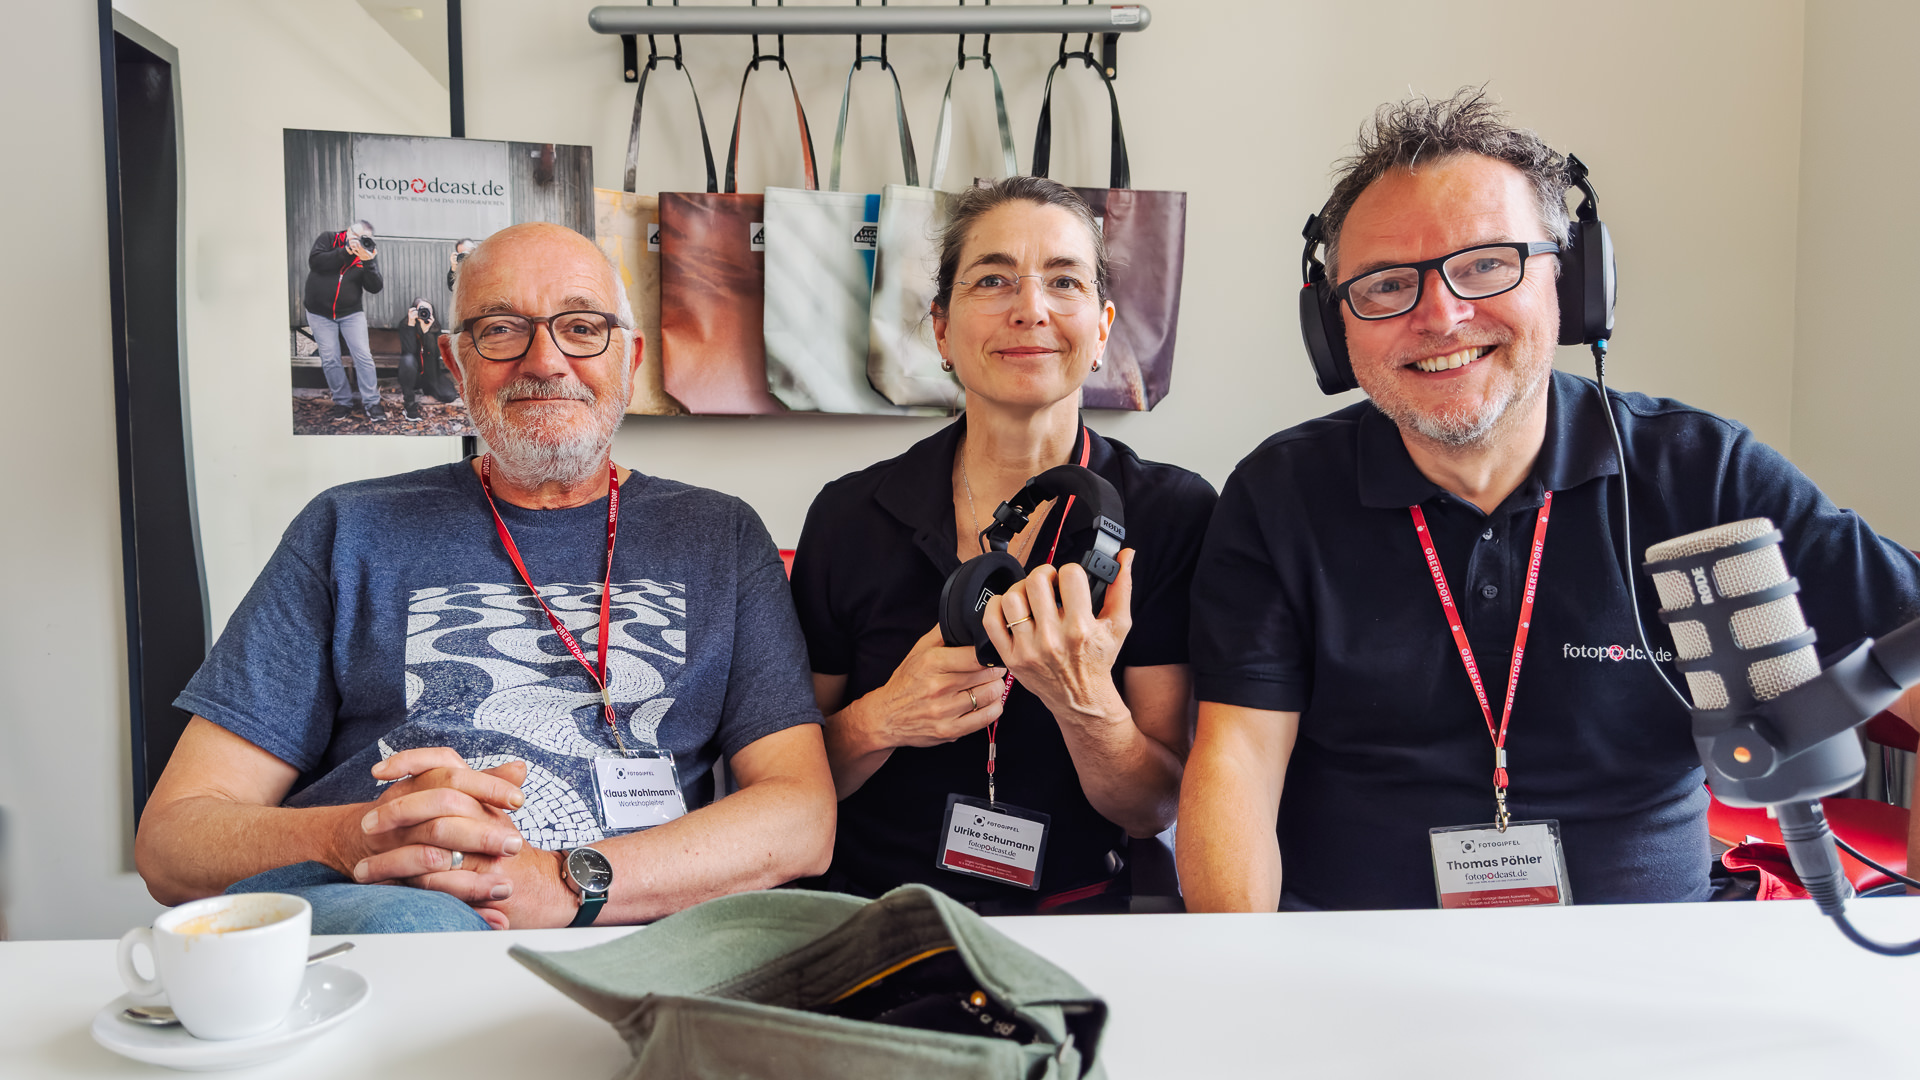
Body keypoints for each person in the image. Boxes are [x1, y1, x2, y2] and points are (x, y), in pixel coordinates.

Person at [1178, 90, 1920, 913]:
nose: (1441, 315)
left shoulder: (1705, 475)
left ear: (1570, 281)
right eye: (1386, 285)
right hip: (1353, 957)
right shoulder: (1278, 495)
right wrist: (1247, 971)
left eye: (1486, 264)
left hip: (1652, 960)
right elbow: (1237, 761)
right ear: (1334, 328)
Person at [137, 222, 835, 932]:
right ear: (454, 361)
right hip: (399, 920)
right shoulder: (347, 528)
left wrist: (562, 884)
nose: (546, 361)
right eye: (501, 330)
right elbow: (172, 842)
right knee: (411, 929)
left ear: (629, 360)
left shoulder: (720, 535)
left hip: (637, 935)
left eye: (582, 327)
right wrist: (355, 836)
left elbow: (803, 817)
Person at [790, 176, 1217, 913]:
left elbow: (1153, 809)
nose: (1030, 308)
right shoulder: (848, 515)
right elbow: (781, 776)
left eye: (1064, 281)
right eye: (993, 279)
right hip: (866, 913)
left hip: (1072, 919)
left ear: (1102, 329)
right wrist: (884, 717)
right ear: (941, 329)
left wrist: (1083, 698)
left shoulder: (1173, 514)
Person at [303, 219, 386, 422]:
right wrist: (346, 251)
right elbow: (315, 262)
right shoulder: (329, 239)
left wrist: (369, 262)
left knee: (363, 356)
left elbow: (375, 287)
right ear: (348, 231)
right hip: (319, 313)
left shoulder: (366, 253)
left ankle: (372, 403)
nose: (357, 240)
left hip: (351, 313)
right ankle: (342, 401)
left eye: (363, 238)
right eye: (354, 235)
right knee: (330, 357)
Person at [396, 298, 458, 421]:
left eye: (427, 310)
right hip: (412, 375)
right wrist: (411, 325)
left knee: (449, 395)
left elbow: (434, 355)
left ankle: (428, 389)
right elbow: (409, 350)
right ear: (414, 311)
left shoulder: (434, 327)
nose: (424, 312)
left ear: (432, 312)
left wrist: (427, 333)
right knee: (407, 360)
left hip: (431, 374)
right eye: (421, 309)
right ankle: (409, 406)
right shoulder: (406, 325)